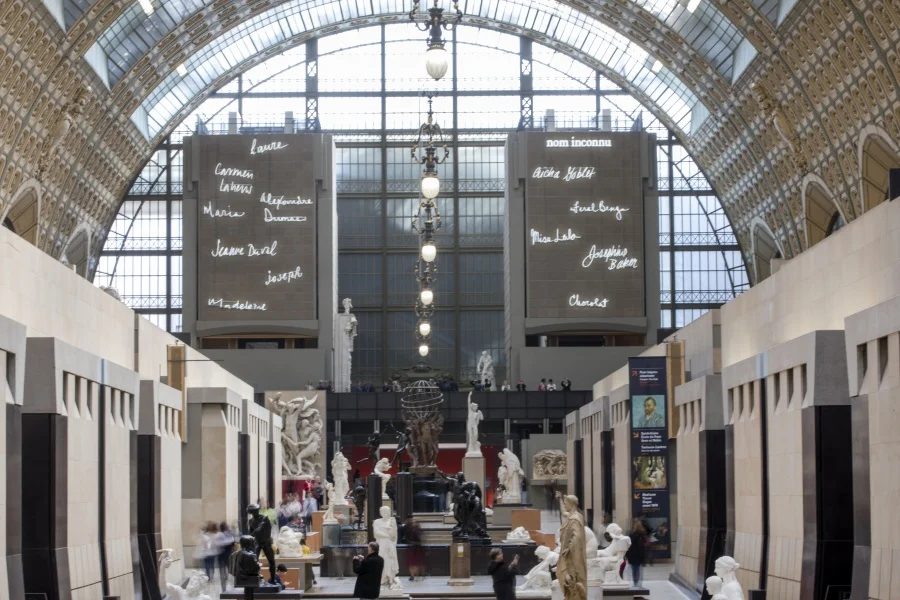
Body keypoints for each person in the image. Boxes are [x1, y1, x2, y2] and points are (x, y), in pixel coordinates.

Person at [625, 520, 647, 588]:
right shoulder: (642, 535)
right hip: (639, 554)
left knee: (634, 569)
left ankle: (635, 582)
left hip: (632, 554)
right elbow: (644, 544)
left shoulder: (631, 534)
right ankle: (638, 583)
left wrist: (627, 554)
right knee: (639, 569)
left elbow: (628, 545)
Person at [215, 522, 236, 591]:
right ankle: (232, 586)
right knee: (231, 571)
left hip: (221, 556)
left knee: (222, 571)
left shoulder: (218, 535)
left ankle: (223, 588)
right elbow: (233, 544)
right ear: (226, 527)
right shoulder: (229, 535)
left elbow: (216, 544)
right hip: (228, 556)